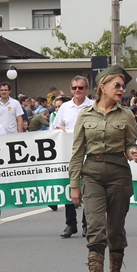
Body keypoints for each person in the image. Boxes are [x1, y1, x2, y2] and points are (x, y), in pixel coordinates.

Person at [69, 65, 137, 272]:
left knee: (115, 229)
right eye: (117, 85)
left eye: (123, 86)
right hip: (91, 174)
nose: (121, 89)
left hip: (118, 174)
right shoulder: (85, 115)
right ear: (103, 86)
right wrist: (74, 184)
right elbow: (77, 151)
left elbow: (130, 144)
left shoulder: (126, 115)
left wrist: (133, 152)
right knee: (95, 226)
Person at [53, 75, 94, 238]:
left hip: (89, 151)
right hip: (69, 152)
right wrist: (60, 130)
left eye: (80, 88)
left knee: (88, 187)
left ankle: (87, 224)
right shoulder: (64, 107)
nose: (77, 90)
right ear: (70, 89)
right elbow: (56, 127)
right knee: (70, 185)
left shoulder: (93, 106)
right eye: (74, 88)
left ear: (87, 89)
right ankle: (71, 224)